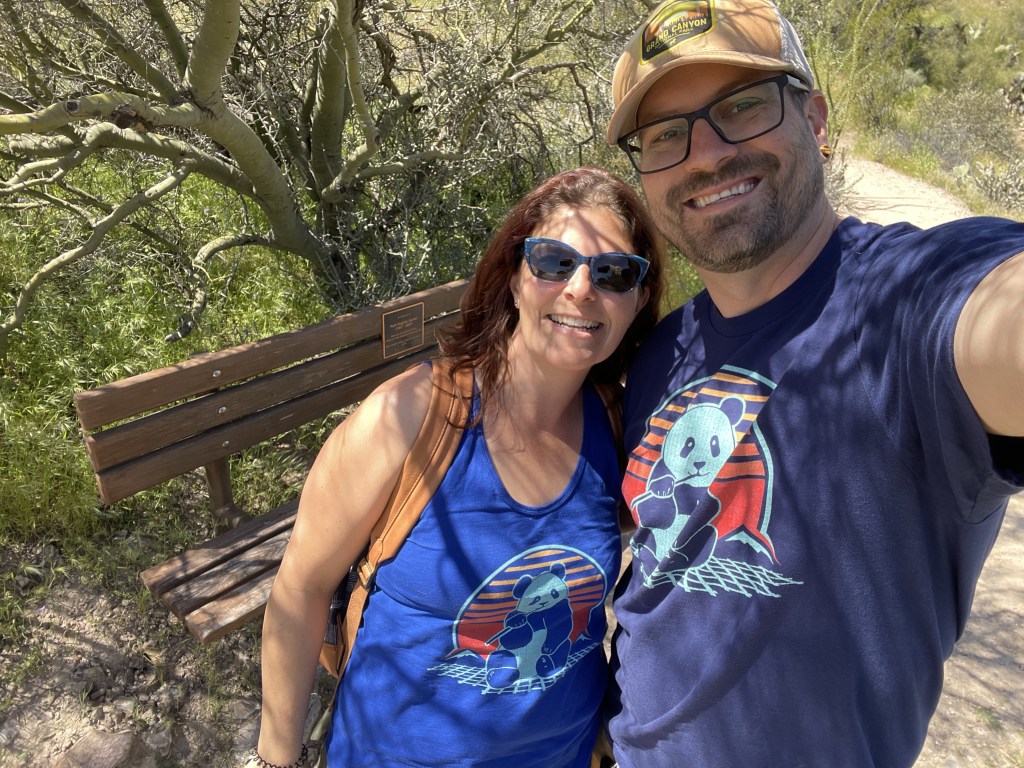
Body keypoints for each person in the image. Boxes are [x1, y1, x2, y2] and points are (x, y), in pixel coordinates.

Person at [601, 0, 1024, 766]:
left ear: (817, 121)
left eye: (741, 106)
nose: (703, 155)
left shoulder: (901, 302)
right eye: (665, 135)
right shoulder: (659, 355)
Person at [248, 167, 666, 768]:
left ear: (638, 298)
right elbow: (301, 589)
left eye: (614, 273)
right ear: (516, 279)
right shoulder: (409, 418)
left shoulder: (620, 425)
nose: (581, 288)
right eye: (553, 261)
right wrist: (275, 761)